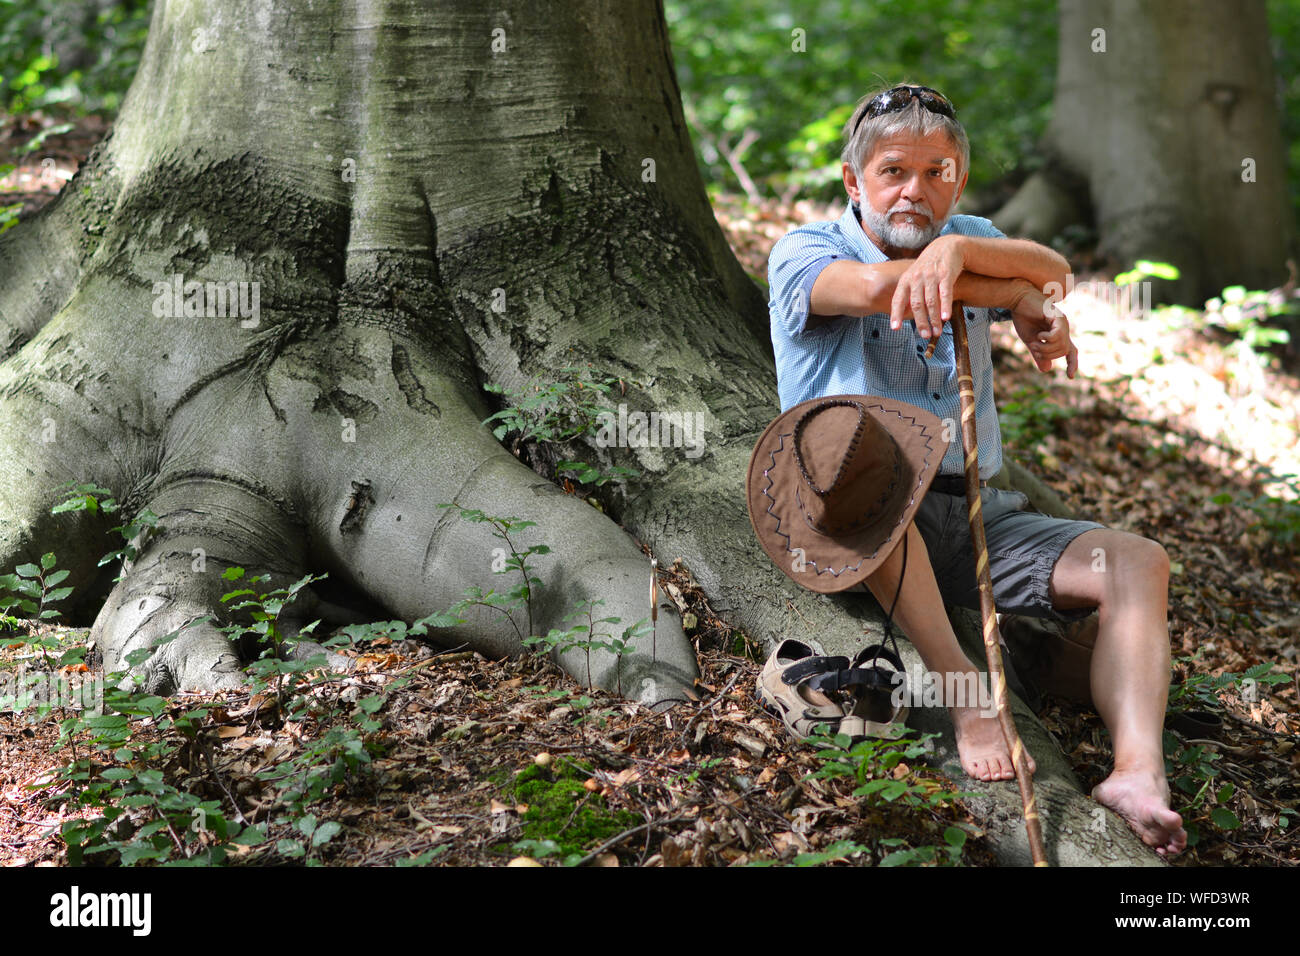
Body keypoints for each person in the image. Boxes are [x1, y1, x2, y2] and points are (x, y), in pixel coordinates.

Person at [763, 83, 1186, 857]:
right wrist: (1014, 291)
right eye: (893, 171)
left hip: (978, 513)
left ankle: (1137, 771)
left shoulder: (968, 235)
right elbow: (881, 288)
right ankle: (966, 693)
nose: (915, 191)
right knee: (871, 487)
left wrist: (963, 252)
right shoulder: (806, 251)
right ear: (855, 182)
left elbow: (1057, 272)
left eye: (938, 172)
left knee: (1137, 562)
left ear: (959, 179)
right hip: (851, 515)